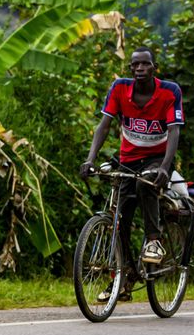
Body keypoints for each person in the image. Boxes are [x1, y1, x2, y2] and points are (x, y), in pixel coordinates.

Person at [79, 46, 184, 302]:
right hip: (128, 159)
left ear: (154, 67)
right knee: (120, 219)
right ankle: (123, 277)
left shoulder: (170, 91)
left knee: (145, 184)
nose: (139, 69)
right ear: (130, 69)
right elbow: (104, 126)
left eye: (145, 64)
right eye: (135, 65)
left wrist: (164, 166)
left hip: (159, 159)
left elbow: (174, 131)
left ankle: (153, 241)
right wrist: (90, 159)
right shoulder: (119, 89)